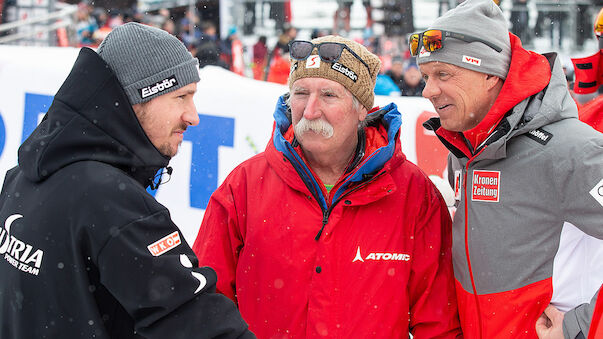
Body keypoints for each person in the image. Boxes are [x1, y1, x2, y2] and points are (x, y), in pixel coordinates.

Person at [193, 35, 462, 338]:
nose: (310, 111)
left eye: (329, 95)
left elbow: (438, 323)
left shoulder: (413, 193)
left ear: (362, 109)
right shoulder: (244, 186)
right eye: (300, 93)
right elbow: (204, 306)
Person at [0, 22, 254, 339]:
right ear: (138, 99)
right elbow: (194, 320)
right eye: (182, 97)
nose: (193, 115)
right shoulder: (110, 201)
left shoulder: (23, 175)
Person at [413, 0, 603, 338]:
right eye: (426, 76)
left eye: (443, 74)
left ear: (489, 74)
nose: (428, 90)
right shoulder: (464, 149)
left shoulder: (573, 150)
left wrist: (582, 326)